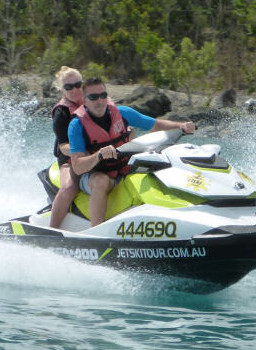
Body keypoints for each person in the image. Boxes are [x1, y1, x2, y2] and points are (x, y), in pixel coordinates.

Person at [69, 77, 195, 226]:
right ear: (84, 100)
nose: (100, 100)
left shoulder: (122, 113)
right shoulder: (77, 125)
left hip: (124, 167)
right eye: (93, 97)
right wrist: (99, 155)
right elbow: (77, 166)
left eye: (103, 95)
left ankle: (180, 212)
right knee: (100, 181)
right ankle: (96, 231)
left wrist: (181, 126)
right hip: (94, 174)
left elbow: (156, 124)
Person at [46, 66, 85, 229]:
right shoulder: (61, 112)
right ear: (62, 90)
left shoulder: (94, 102)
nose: (75, 90)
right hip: (69, 160)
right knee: (69, 187)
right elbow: (63, 147)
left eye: (78, 84)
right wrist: (84, 152)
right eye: (69, 87)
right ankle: (52, 229)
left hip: (97, 157)